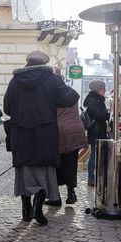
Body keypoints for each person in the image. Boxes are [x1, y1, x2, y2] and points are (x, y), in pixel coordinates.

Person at [4, 51, 79, 225]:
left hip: (22, 132)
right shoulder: (51, 79)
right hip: (45, 132)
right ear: (45, 62)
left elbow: (7, 107)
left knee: (24, 170)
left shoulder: (15, 81)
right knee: (44, 169)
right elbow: (70, 98)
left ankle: (25, 210)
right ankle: (38, 209)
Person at [45, 68, 88, 206]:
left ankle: (55, 197)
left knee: (56, 164)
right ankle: (71, 193)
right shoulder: (72, 92)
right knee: (71, 163)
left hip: (59, 131)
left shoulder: (52, 94)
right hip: (75, 130)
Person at [83, 79, 110, 187]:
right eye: (103, 89)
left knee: (97, 153)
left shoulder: (96, 99)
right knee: (94, 154)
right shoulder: (94, 100)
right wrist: (109, 113)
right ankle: (91, 177)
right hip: (96, 131)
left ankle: (97, 176)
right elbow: (98, 115)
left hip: (98, 130)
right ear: (98, 89)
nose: (105, 91)